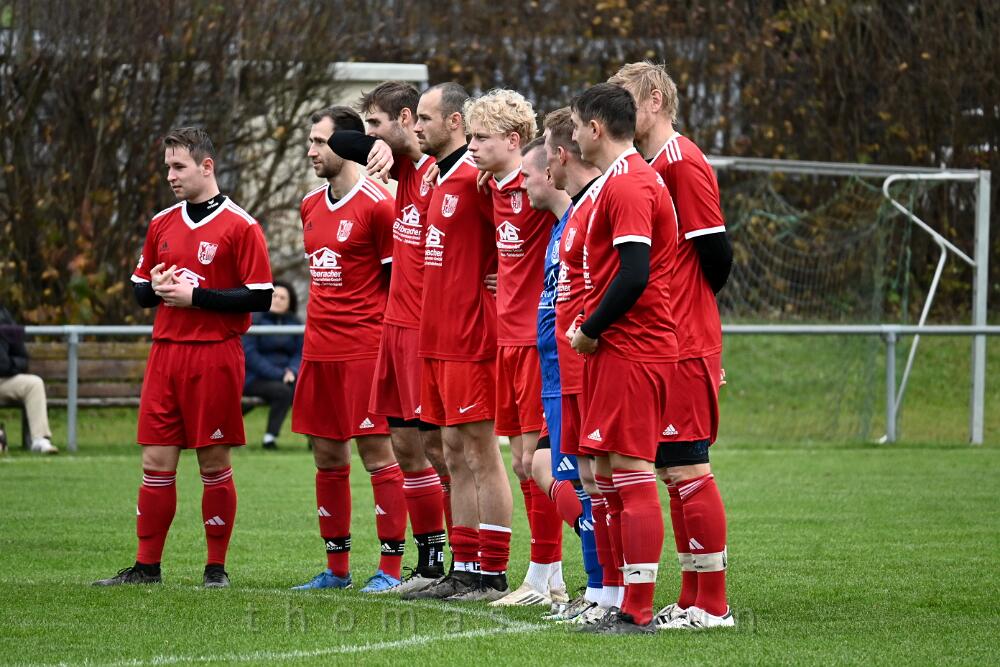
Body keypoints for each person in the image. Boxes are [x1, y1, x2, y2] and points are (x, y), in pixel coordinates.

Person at [95, 126, 274, 588]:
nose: (171, 176)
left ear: (206, 166)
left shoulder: (241, 225)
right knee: (155, 463)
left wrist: (197, 298)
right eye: (168, 167)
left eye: (179, 167)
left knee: (213, 464)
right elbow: (139, 291)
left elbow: (260, 296)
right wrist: (154, 286)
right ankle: (146, 567)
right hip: (165, 355)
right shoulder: (161, 222)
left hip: (215, 356)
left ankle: (215, 568)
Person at [609, 61, 735, 630]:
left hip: (684, 342)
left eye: (626, 99)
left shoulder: (682, 162)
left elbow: (717, 256)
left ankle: (714, 605)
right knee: (672, 471)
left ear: (655, 100)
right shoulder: (648, 165)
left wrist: (691, 321)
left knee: (688, 469)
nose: (617, 111)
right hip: (666, 340)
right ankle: (691, 598)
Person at [327, 82, 450, 593]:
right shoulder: (399, 165)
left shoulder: (436, 169)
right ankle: (428, 564)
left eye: (376, 123)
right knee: (405, 445)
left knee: (441, 449)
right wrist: (373, 143)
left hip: (427, 329)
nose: (369, 134)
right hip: (394, 328)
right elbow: (342, 142)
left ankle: (467, 561)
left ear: (405, 118)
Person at [569, 83, 679, 633]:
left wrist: (591, 329)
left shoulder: (632, 183)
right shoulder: (615, 181)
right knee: (608, 474)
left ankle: (637, 608)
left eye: (574, 126)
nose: (571, 137)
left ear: (595, 128)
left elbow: (635, 274)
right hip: (615, 348)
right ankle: (616, 598)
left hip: (635, 348)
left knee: (632, 472)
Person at [291, 106, 408, 594]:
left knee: (378, 455)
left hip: (365, 350)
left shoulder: (379, 205)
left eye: (320, 142)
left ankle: (390, 569)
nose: (311, 151)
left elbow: (396, 284)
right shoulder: (309, 205)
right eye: (310, 142)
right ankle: (336, 570)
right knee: (326, 457)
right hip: (319, 350)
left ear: (346, 144)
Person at [403, 83, 513, 602]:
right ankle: (465, 567)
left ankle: (493, 572)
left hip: (471, 336)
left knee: (480, 451)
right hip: (435, 335)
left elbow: (526, 229)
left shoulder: (478, 178)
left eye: (425, 118)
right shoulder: (437, 175)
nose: (417, 127)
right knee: (448, 450)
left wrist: (510, 278)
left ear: (454, 123)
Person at [464, 89, 569, 607]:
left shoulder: (543, 188)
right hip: (506, 340)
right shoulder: (492, 189)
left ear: (513, 140)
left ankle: (547, 575)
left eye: (481, 137)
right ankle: (548, 576)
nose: (472, 147)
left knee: (537, 462)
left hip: (536, 341)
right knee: (524, 463)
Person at [541, 108, 614, 625]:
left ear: (562, 155)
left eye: (546, 156)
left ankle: (613, 589)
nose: (545, 168)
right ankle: (599, 589)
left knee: (608, 479)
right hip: (563, 369)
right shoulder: (573, 214)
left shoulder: (597, 206)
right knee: (583, 479)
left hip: (589, 364)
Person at [242, 281, 302, 449]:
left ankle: (315, 437)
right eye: (274, 296)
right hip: (255, 378)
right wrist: (279, 374)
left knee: (306, 389)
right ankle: (270, 438)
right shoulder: (254, 320)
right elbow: (250, 355)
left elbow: (300, 352)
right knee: (283, 391)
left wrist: (292, 370)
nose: (277, 300)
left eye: (283, 298)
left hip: (287, 376)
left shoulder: (296, 323)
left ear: (290, 302)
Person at [0, 306, 57, 454]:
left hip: (5, 381)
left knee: (34, 384)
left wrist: (10, 365)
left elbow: (22, 358)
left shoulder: (4, 317)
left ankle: (39, 440)